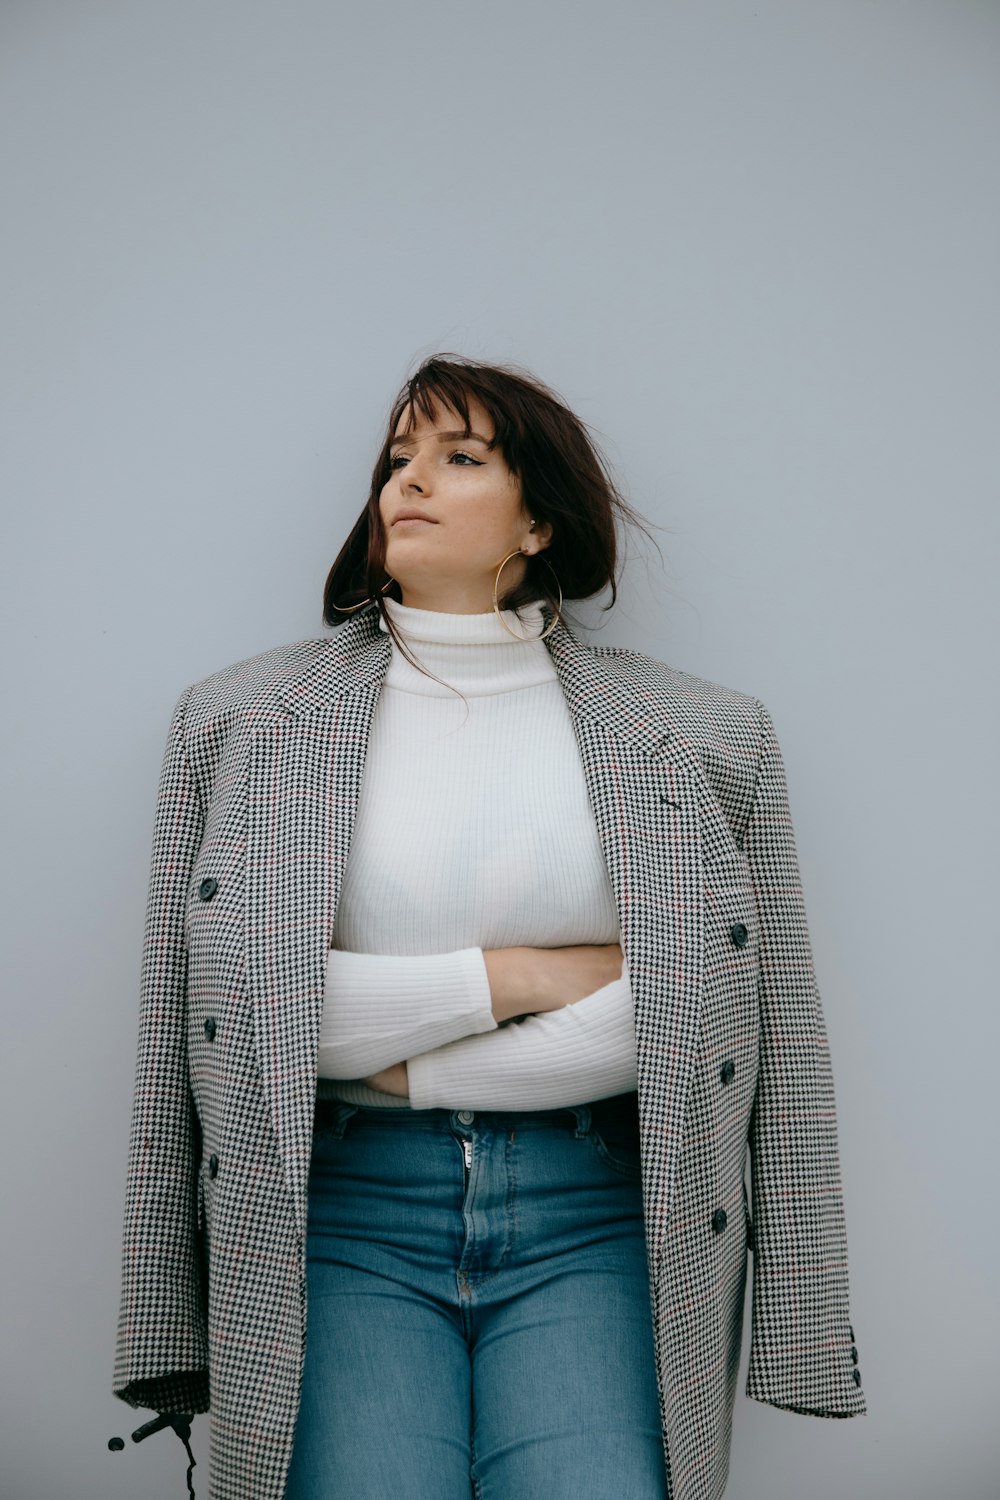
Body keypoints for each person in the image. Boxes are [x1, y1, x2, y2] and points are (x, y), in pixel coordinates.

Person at [112, 354, 866, 1500]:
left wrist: (386, 1042)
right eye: (398, 460)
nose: (408, 481)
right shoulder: (240, 721)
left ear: (539, 525)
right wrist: (526, 975)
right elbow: (230, 1034)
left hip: (608, 1215)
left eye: (460, 459)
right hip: (338, 1216)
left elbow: (737, 1040)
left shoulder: (707, 735)